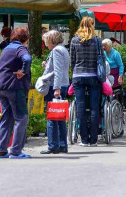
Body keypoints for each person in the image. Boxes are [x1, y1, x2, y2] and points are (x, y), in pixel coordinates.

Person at [0, 28, 32, 159]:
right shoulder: (20, 48)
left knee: (6, 118)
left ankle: (1, 150)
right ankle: (16, 151)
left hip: (2, 86)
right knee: (22, 118)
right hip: (14, 86)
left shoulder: (6, 48)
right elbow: (27, 59)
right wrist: (23, 71)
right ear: (25, 39)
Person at [70, 17, 101, 147]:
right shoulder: (97, 41)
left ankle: (83, 139)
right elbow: (101, 58)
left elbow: (72, 59)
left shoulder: (74, 40)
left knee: (81, 108)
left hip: (78, 75)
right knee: (94, 107)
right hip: (93, 76)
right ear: (91, 25)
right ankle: (93, 139)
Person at [41, 30, 70, 155]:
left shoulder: (56, 51)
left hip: (55, 86)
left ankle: (53, 145)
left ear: (51, 40)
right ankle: (62, 145)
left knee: (52, 116)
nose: (46, 44)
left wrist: (56, 88)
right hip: (62, 84)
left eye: (46, 41)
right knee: (60, 116)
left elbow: (58, 70)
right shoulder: (63, 49)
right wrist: (47, 65)